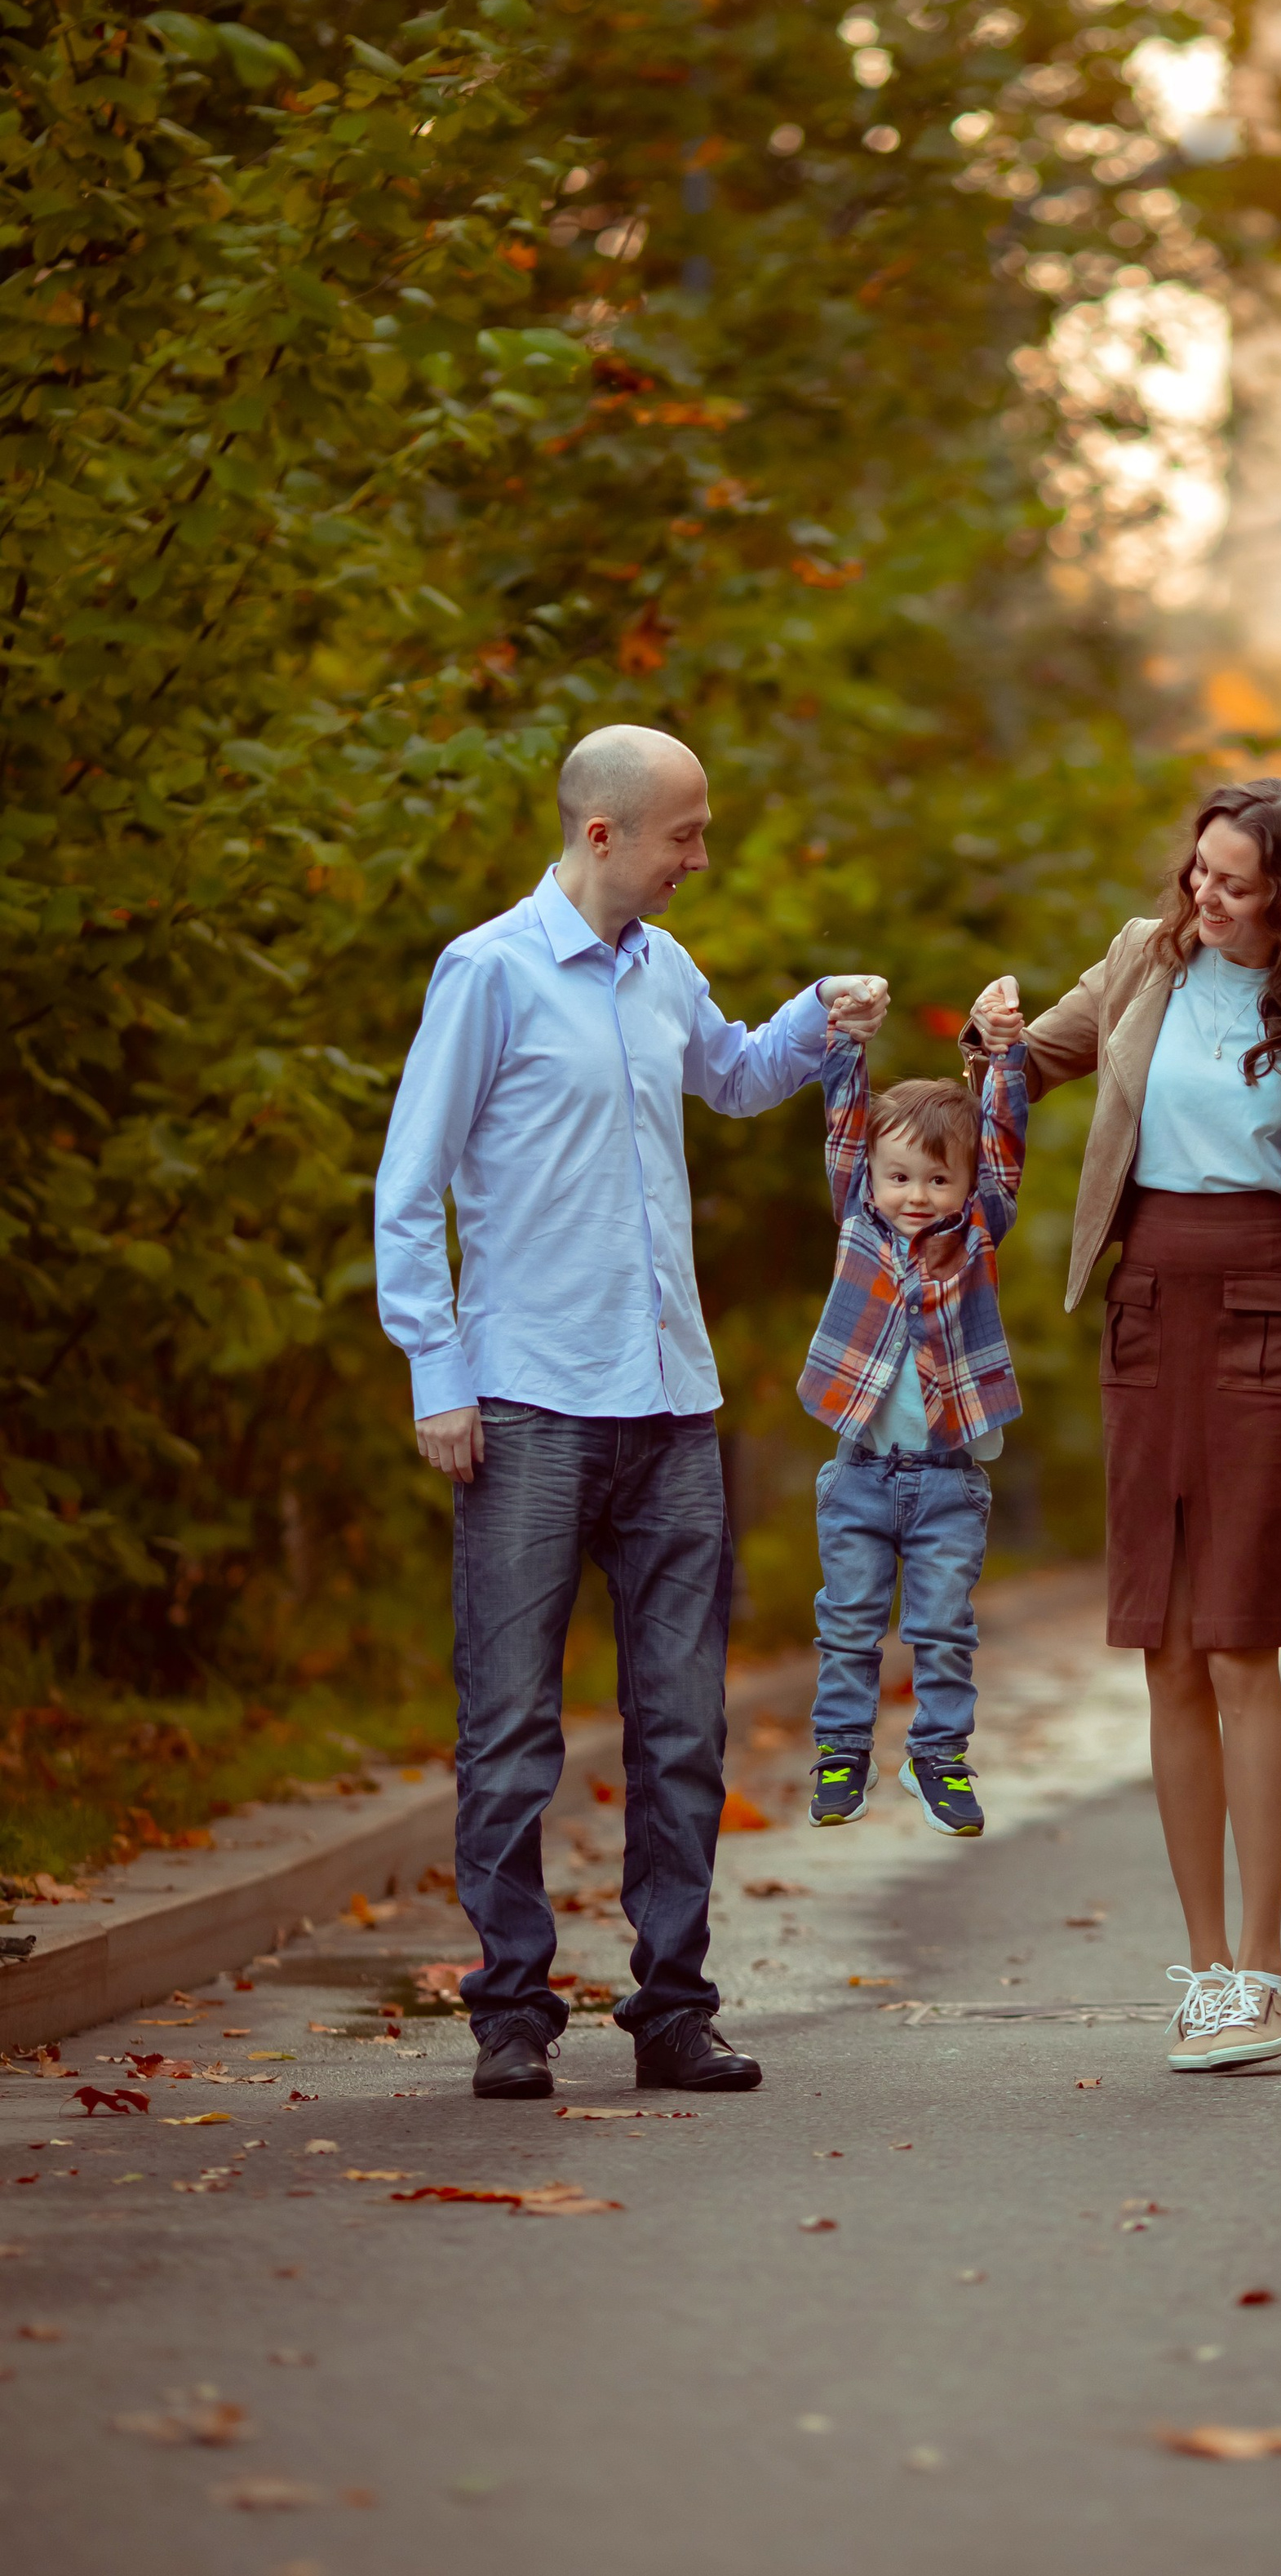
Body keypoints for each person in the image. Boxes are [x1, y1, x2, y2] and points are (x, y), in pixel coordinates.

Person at [373, 723, 889, 2102]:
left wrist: (820, 1022)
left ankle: (673, 2009)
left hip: (671, 1404)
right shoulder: (489, 974)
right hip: (528, 1401)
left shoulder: (666, 972)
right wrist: (438, 1373)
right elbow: (406, 1185)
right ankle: (511, 2013)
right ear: (602, 834)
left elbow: (728, 1077)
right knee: (511, 1726)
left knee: (683, 1729)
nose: (700, 857)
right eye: (684, 834)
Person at [970, 777, 1281, 2076]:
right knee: (1165, 1649)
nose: (1203, 897)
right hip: (1148, 1310)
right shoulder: (1146, 960)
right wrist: (985, 1046)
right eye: (1198, 871)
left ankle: (1263, 1970)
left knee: (1240, 1644)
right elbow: (1023, 1077)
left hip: (1275, 1319)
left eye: (1235, 883)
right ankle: (1202, 1970)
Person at [795, 982, 1029, 1838]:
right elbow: (845, 1124)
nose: (917, 1194)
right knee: (849, 1623)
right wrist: (848, 1039)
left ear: (966, 1184)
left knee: (942, 1628)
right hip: (858, 1475)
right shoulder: (858, 1218)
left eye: (937, 1178)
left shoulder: (977, 1231)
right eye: (900, 1177)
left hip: (945, 1483)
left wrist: (1003, 1052)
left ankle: (938, 1757)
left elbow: (1003, 1143)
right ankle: (841, 1752)